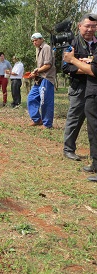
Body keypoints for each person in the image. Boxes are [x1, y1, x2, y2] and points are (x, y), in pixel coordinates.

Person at [64, 14, 97, 181]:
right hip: (80, 87)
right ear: (79, 26)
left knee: (94, 125)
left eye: (93, 26)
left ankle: (94, 158)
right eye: (87, 26)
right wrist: (88, 68)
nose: (90, 29)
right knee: (75, 117)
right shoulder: (72, 43)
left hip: (95, 88)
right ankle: (69, 149)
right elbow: (66, 67)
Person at [27, 33, 56, 128]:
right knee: (31, 98)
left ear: (41, 39)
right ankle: (37, 119)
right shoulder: (39, 50)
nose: (34, 42)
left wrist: (36, 71)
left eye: (35, 40)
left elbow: (48, 65)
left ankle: (47, 124)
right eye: (33, 41)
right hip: (39, 78)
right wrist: (35, 73)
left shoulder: (46, 48)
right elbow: (41, 66)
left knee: (45, 101)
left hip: (46, 78)